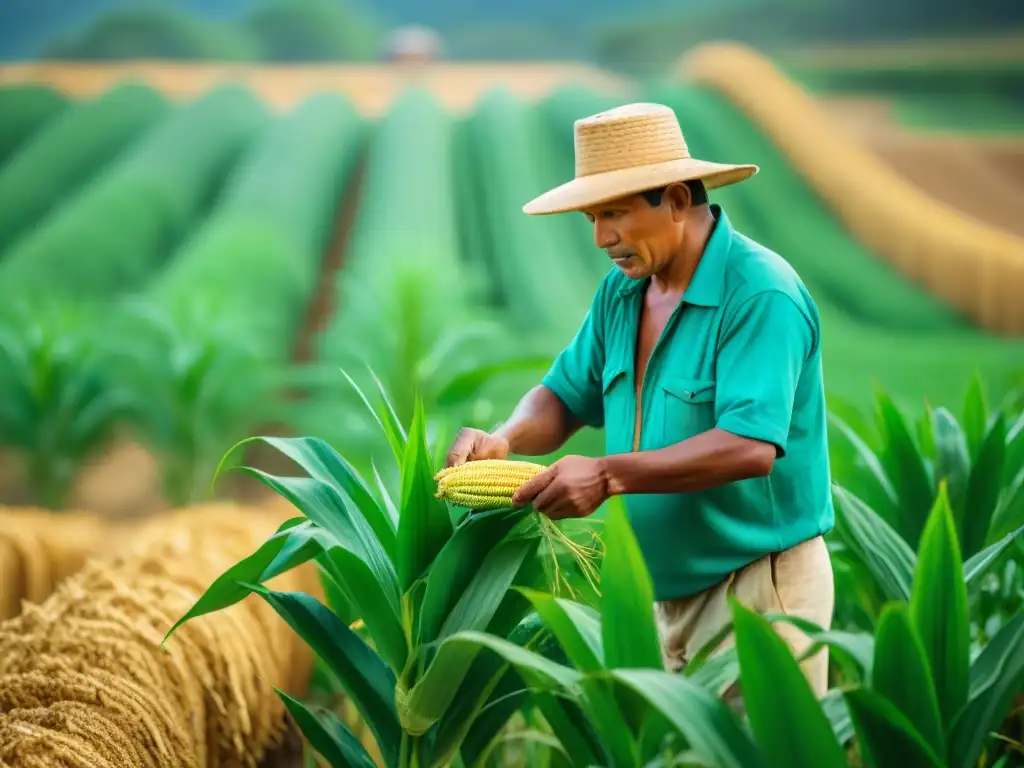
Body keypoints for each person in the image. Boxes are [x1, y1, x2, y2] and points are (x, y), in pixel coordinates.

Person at [443, 102, 835, 702]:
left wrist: (605, 474)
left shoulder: (760, 293)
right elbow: (564, 395)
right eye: (593, 217)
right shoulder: (624, 293)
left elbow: (751, 447)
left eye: (615, 213)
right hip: (659, 598)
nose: (602, 238)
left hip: (758, 591)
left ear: (676, 199)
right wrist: (506, 438)